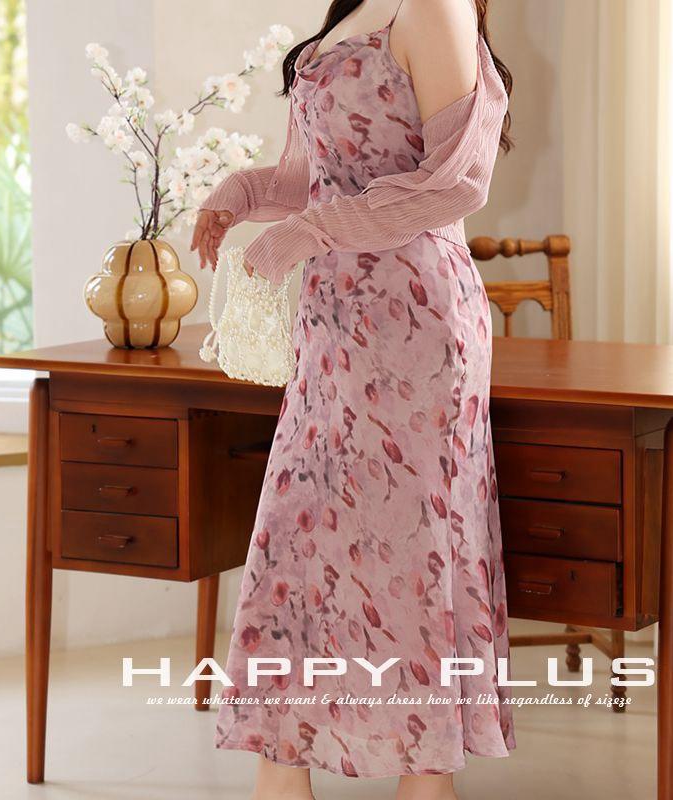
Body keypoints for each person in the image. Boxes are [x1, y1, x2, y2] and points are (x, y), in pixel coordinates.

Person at [191, 0, 514, 797]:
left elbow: (457, 182)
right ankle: (281, 776)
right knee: (298, 536)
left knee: (410, 548)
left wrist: (308, 233)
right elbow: (319, 177)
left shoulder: (432, 6)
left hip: (415, 320)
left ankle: (425, 780)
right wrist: (241, 191)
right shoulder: (356, 11)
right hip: (334, 321)